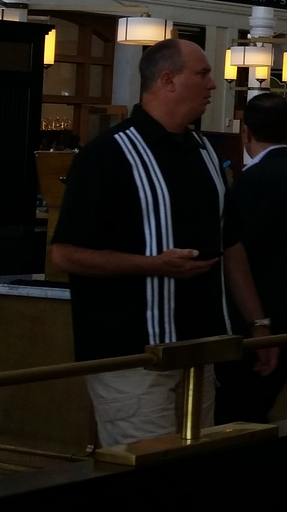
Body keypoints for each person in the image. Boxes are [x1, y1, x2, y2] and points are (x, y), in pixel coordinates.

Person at [49, 38, 229, 449]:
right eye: (202, 74)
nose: (212, 84)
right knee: (148, 466)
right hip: (132, 352)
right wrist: (154, 265)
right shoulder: (107, 154)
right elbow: (65, 253)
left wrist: (256, 322)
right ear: (167, 80)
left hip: (198, 346)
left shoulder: (203, 150)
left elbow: (229, 239)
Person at [215, 92, 287, 425]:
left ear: (245, 131)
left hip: (261, 319)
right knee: (254, 413)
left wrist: (256, 323)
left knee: (234, 419)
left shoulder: (252, 181)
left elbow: (239, 251)